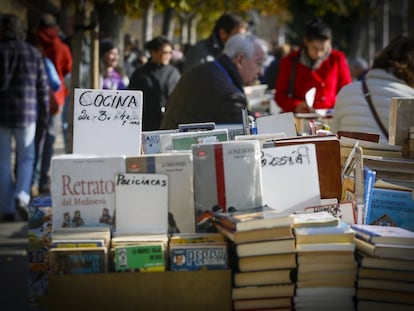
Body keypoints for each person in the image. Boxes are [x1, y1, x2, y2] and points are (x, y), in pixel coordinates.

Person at [160, 33, 267, 129]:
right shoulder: (227, 94)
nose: (261, 72)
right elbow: (248, 133)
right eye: (259, 63)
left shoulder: (207, 71)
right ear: (240, 60)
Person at [0, 14, 49, 222]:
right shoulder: (33, 54)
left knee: (2, 161)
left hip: (2, 113)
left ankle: (7, 207)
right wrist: (45, 113)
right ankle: (22, 195)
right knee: (26, 158)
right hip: (27, 113)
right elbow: (43, 88)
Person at [331, 36, 414, 144]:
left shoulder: (345, 92)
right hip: (392, 160)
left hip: (349, 160)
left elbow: (334, 137)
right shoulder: (410, 98)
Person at [274, 18, 352, 113]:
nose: (319, 53)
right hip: (301, 118)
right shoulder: (290, 61)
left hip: (330, 117)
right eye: (315, 48)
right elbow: (279, 95)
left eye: (323, 49)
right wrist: (296, 105)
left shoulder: (337, 59)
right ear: (306, 41)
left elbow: (347, 91)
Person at [36, 13, 72, 193]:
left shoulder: (34, 43)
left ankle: (28, 180)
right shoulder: (61, 46)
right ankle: (43, 179)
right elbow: (67, 73)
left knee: (32, 141)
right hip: (55, 100)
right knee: (49, 140)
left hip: (31, 99)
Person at [128, 36, 181, 131]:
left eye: (170, 52)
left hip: (168, 122)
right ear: (153, 52)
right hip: (146, 123)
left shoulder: (174, 72)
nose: (168, 55)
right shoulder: (140, 73)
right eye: (164, 52)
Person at [182, 12, 248, 73]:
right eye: (238, 36)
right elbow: (192, 82)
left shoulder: (235, 53)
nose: (242, 40)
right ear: (223, 33)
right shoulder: (200, 52)